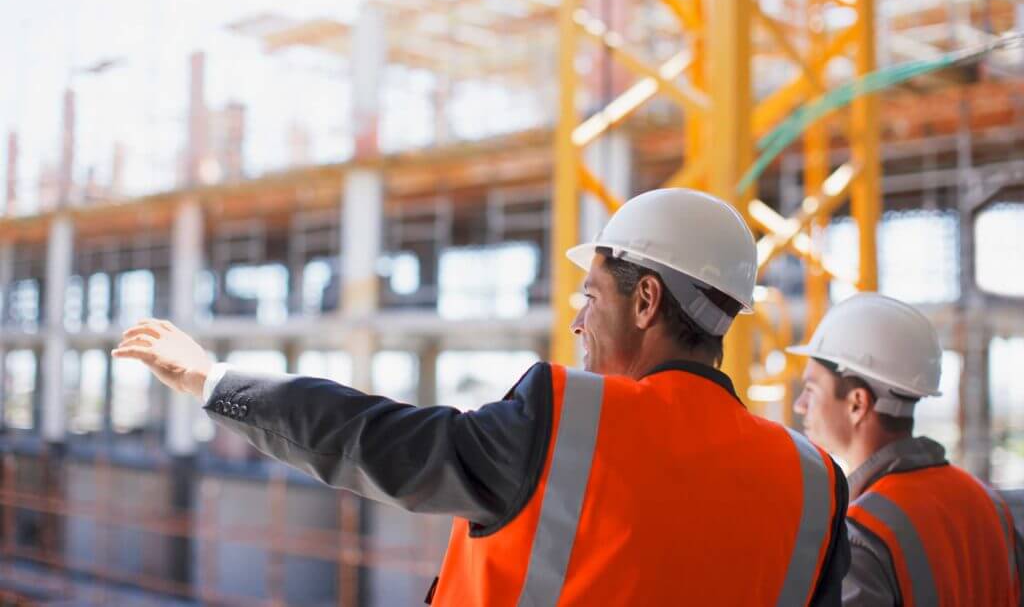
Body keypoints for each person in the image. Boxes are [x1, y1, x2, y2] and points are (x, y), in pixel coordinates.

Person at [114, 188, 849, 605]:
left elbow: (371, 438)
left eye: (590, 295)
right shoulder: (814, 482)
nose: (577, 318)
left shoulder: (569, 418)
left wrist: (211, 380)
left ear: (647, 300)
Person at [790, 292, 1024, 606]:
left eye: (810, 389)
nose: (800, 405)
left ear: (857, 403)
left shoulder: (864, 532)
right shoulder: (989, 504)